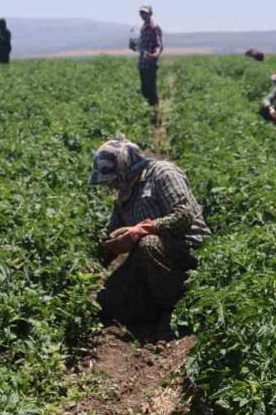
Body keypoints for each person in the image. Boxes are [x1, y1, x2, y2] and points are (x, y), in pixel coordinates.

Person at [89, 137, 209, 339]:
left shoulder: (163, 173)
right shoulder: (125, 194)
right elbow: (111, 234)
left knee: (148, 244)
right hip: (149, 260)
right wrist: (96, 263)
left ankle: (174, 312)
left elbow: (184, 215)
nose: (112, 186)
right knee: (105, 302)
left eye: (113, 180)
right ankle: (150, 310)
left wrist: (143, 229)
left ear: (124, 167)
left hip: (187, 251)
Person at [136, 5, 162, 106]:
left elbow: (159, 45)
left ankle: (156, 115)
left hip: (150, 64)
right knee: (144, 90)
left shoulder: (154, 27)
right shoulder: (143, 28)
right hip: (142, 63)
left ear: (150, 14)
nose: (143, 15)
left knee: (151, 91)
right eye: (141, 13)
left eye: (145, 13)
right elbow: (142, 45)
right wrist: (135, 46)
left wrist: (154, 54)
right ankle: (148, 113)